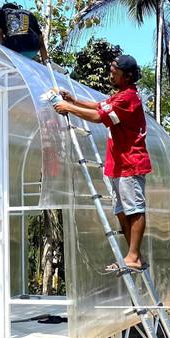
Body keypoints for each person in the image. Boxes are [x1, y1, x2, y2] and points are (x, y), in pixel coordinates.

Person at [52, 55, 152, 271]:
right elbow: (99, 105)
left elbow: (99, 117)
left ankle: (133, 256)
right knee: (121, 210)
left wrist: (68, 108)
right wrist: (73, 100)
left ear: (127, 77)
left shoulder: (129, 98)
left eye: (115, 73)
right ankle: (135, 256)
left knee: (134, 209)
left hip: (130, 162)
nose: (110, 75)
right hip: (117, 163)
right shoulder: (119, 96)